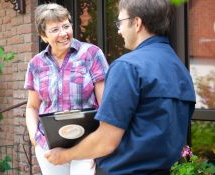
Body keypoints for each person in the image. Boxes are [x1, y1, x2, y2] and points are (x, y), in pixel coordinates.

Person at [44, 0, 196, 174]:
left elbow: (106, 140)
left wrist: (64, 155)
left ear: (137, 23)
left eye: (120, 22)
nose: (119, 30)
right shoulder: (181, 70)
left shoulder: (127, 66)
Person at [24, 3, 109, 175]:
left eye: (66, 26)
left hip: (86, 144)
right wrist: (35, 138)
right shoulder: (36, 64)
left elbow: (105, 103)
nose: (63, 33)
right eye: (55, 29)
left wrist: (100, 142)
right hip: (49, 146)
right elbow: (32, 106)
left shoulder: (91, 54)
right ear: (43, 36)